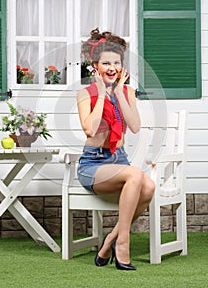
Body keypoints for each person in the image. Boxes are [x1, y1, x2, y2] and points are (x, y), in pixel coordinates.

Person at [77, 28, 155, 271]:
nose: (112, 67)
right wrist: (101, 96)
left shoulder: (127, 91)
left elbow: (134, 126)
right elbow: (90, 130)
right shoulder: (84, 93)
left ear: (122, 66)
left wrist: (119, 93)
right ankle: (123, 244)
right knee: (136, 175)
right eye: (106, 62)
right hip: (94, 165)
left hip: (118, 159)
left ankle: (110, 239)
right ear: (95, 66)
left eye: (116, 62)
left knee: (149, 186)